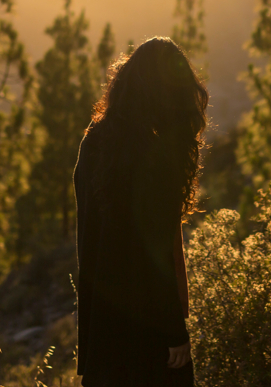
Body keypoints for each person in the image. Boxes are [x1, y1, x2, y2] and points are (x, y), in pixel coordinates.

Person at [74, 37, 206, 387]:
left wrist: (87, 346)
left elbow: (87, 240)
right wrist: (175, 331)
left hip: (102, 332)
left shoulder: (93, 143)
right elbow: (156, 256)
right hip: (150, 338)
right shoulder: (154, 154)